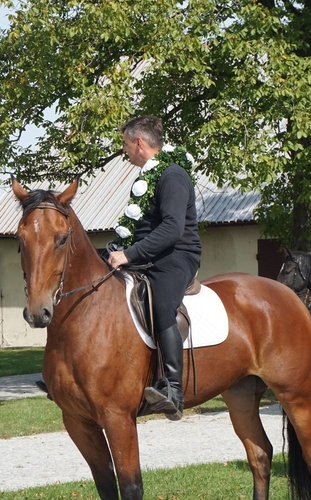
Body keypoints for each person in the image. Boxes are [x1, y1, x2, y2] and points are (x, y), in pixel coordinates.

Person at [108, 116, 201, 421]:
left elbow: (174, 229)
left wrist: (129, 254)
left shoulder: (172, 175)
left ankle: (172, 390)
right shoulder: (148, 177)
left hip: (178, 255)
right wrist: (117, 251)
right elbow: (145, 227)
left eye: (125, 144)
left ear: (138, 142)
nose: (125, 152)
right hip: (149, 255)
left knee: (162, 303)